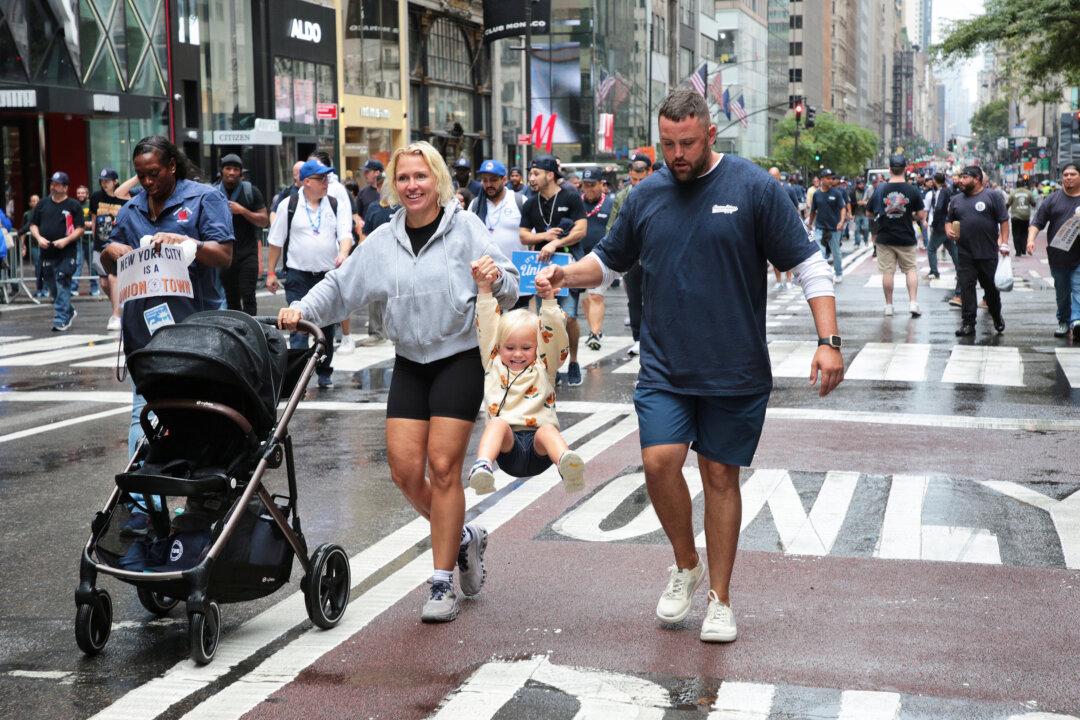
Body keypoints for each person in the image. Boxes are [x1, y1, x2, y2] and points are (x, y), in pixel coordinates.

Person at [536, 87, 842, 644]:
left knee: (719, 476)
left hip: (735, 366)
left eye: (687, 143)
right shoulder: (645, 195)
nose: (677, 154)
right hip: (665, 365)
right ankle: (685, 564)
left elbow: (810, 266)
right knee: (658, 463)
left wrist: (830, 340)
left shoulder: (754, 187)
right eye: (668, 143)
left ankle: (721, 600)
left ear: (710, 136)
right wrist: (563, 274)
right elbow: (607, 262)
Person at [277, 141, 519, 623]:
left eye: (421, 176)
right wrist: (301, 309)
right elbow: (342, 286)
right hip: (409, 361)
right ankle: (464, 538)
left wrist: (495, 276)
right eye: (404, 178)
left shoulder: (465, 227)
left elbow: (509, 284)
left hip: (458, 358)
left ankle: (442, 581)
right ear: (393, 184)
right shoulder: (384, 240)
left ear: (438, 182)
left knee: (444, 466)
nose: (412, 185)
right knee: (406, 473)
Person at [99, 136, 234, 536]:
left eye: (154, 174)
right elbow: (107, 251)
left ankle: (203, 500)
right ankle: (144, 510)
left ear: (172, 166)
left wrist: (189, 243)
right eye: (140, 175)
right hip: (146, 335)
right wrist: (113, 254)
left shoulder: (204, 199)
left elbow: (223, 254)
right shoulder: (132, 207)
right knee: (143, 417)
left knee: (202, 419)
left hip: (196, 333)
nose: (146, 182)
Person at [466, 268, 583, 494]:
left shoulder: (543, 364)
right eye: (510, 348)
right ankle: (482, 467)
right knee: (497, 424)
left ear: (538, 347)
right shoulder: (493, 360)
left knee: (548, 430)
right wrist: (484, 288)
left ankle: (567, 465)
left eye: (526, 348)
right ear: (499, 347)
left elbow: (556, 336)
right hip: (508, 448)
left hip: (540, 449)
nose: (517, 354)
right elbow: (487, 323)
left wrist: (548, 301)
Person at [265, 158, 352, 389]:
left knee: (326, 327)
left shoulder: (334, 204)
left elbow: (345, 234)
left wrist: (343, 254)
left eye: (327, 178)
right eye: (320, 179)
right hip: (298, 276)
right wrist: (271, 272)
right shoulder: (289, 204)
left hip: (327, 276)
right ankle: (299, 377)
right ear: (306, 182)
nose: (326, 182)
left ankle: (324, 371)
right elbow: (275, 241)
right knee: (297, 327)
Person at [518, 154, 587, 386]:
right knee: (545, 319)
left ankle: (574, 361)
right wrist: (544, 236)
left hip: (568, 263)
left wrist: (555, 242)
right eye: (530, 173)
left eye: (536, 173)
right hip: (540, 266)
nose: (531, 177)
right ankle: (551, 364)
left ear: (550, 175)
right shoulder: (530, 202)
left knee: (568, 318)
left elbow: (581, 229)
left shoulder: (571, 197)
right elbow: (523, 235)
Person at [947, 165, 1010, 337]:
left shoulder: (993, 196)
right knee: (967, 288)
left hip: (988, 253)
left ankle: (996, 315)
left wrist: (1004, 243)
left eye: (965, 177)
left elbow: (1004, 221)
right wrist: (948, 230)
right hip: (965, 253)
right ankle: (968, 323)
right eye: (960, 177)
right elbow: (949, 220)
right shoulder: (956, 200)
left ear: (977, 179)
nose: (960, 181)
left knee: (990, 289)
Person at [867, 155, 925, 317]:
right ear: (905, 169)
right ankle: (913, 303)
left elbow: (869, 212)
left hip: (885, 237)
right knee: (910, 270)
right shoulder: (912, 189)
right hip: (906, 236)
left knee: (887, 272)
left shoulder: (880, 189)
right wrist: (909, 215)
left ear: (890, 169)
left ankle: (889, 306)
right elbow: (921, 214)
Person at [1027, 163, 1080, 339]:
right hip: (1058, 256)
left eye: (1073, 174)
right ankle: (1064, 321)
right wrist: (1030, 240)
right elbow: (1037, 223)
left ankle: (1077, 322)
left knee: (1078, 288)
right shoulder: (1052, 199)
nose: (1069, 177)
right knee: (1062, 293)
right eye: (1066, 174)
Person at [608, 153, 653, 355]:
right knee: (634, 297)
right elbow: (612, 226)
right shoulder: (622, 196)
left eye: (641, 180)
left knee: (656, 297)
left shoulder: (662, 191)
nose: (637, 184)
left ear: (649, 173)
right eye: (634, 180)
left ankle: (655, 338)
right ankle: (637, 338)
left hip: (654, 253)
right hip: (632, 255)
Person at [213, 154, 268, 316]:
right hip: (224, 254)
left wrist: (242, 211)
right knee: (231, 300)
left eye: (235, 169)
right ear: (221, 171)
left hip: (247, 254)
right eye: (228, 168)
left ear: (241, 173)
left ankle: (252, 335)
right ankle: (235, 337)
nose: (231, 172)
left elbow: (264, 221)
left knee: (248, 295)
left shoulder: (251, 192)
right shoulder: (213, 193)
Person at [29, 172, 84, 331]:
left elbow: (80, 229)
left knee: (62, 283)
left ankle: (61, 319)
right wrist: (39, 238)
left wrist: (65, 240)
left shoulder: (73, 205)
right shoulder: (42, 204)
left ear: (66, 187)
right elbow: (33, 224)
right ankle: (69, 310)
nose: (53, 186)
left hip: (67, 252)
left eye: (58, 184)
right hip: (47, 252)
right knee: (52, 287)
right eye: (52, 183)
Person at [578, 167, 613, 351]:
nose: (588, 189)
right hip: (578, 256)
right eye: (585, 185)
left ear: (601, 184)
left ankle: (594, 333)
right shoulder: (577, 202)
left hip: (600, 258)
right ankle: (595, 329)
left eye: (592, 185)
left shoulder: (610, 204)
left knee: (595, 295)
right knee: (586, 297)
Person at [88, 168, 127, 331]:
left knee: (113, 278)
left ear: (115, 181)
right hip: (100, 244)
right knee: (104, 282)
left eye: (107, 181)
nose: (104, 184)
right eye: (102, 181)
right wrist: (95, 240)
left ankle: (116, 315)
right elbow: (94, 219)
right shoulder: (96, 197)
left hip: (116, 244)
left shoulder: (123, 198)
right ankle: (120, 306)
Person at [469, 159, 525, 263]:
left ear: (504, 180)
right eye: (485, 180)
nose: (488, 184)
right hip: (486, 273)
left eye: (493, 180)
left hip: (517, 271)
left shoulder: (520, 201)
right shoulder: (475, 205)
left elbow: (531, 239)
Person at [808, 168, 848, 282]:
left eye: (832, 178)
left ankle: (838, 272)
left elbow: (842, 208)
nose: (831, 180)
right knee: (820, 252)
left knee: (836, 252)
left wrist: (841, 221)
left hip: (834, 228)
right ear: (822, 179)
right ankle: (823, 273)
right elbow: (813, 211)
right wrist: (810, 224)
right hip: (820, 228)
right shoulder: (816, 194)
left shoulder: (837, 193)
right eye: (828, 178)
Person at [925, 172, 957, 286]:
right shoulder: (948, 190)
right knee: (952, 248)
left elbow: (938, 208)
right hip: (948, 223)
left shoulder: (941, 191)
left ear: (935, 181)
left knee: (931, 248)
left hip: (941, 225)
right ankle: (960, 271)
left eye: (933, 180)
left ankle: (934, 271)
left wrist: (934, 224)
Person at [71, 184, 100, 296]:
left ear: (87, 194)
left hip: (91, 240)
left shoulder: (90, 204)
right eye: (78, 193)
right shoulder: (74, 205)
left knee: (93, 265)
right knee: (77, 264)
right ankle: (73, 288)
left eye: (82, 193)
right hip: (78, 240)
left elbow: (96, 219)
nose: (80, 195)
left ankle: (94, 288)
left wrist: (89, 224)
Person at [21, 194, 44, 298]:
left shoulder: (44, 211)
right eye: (33, 201)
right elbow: (24, 230)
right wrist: (23, 245)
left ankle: (47, 288)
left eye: (37, 200)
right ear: (30, 203)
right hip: (35, 245)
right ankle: (39, 288)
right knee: (38, 267)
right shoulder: (27, 214)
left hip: (45, 244)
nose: (35, 203)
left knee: (47, 267)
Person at [1007, 179, 1038, 256]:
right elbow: (1033, 203)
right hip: (1025, 217)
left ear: (1016, 185)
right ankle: (1023, 250)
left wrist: (1005, 211)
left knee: (1016, 234)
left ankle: (1018, 252)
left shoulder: (1013, 193)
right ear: (1024, 184)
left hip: (1015, 217)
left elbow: (1008, 203)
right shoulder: (1028, 192)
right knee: (1024, 233)